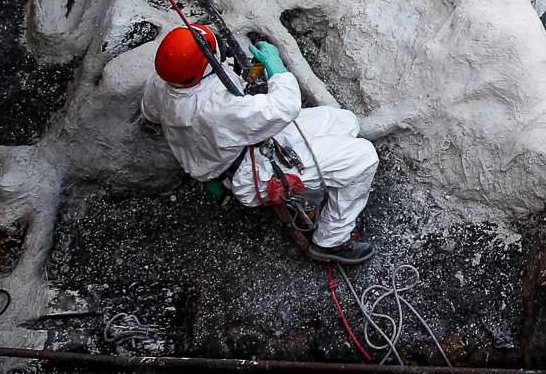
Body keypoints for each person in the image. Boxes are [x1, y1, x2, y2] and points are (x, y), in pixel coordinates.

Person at [140, 24, 377, 265]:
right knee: (364, 158)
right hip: (250, 172)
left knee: (343, 121)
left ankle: (323, 187)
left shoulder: (163, 83)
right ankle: (331, 241)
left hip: (236, 147)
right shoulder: (218, 107)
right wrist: (276, 68)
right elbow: (285, 106)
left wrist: (250, 73)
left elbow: (150, 113)